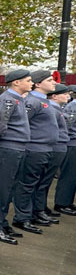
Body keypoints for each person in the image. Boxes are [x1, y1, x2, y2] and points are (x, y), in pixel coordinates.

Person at [0, 70, 35, 245]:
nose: (31, 83)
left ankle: (2, 222)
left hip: (16, 148)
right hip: (7, 148)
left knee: (9, 189)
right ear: (16, 83)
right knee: (0, 189)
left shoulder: (17, 99)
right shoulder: (8, 99)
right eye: (28, 81)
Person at [12, 70, 61, 234]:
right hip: (34, 148)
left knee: (37, 183)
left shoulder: (43, 101)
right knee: (27, 184)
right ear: (38, 84)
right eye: (49, 80)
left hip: (45, 148)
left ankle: (34, 212)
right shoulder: (32, 101)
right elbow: (23, 123)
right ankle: (22, 218)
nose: (53, 82)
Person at [31, 78, 68, 224]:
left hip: (57, 145)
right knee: (42, 181)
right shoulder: (49, 107)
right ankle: (37, 209)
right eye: (64, 93)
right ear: (55, 96)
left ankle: (41, 208)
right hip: (51, 146)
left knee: (45, 181)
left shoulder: (54, 108)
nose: (67, 96)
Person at [55, 88, 76, 216]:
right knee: (69, 175)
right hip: (72, 143)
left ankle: (67, 202)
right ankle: (62, 203)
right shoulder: (73, 106)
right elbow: (67, 126)